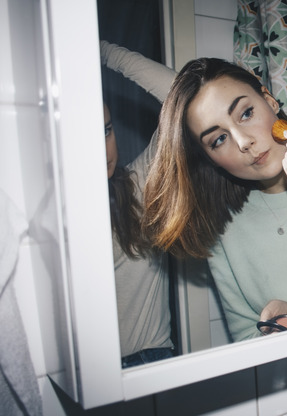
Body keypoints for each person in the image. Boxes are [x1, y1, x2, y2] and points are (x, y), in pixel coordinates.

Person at [141, 57, 287, 342]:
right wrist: (275, 330)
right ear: (210, 159)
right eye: (218, 140)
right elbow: (246, 344)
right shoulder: (224, 229)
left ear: (270, 101)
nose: (243, 141)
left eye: (246, 113)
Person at [101, 41, 178, 368]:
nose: (103, 151)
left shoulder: (136, 185)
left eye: (105, 131)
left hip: (154, 358)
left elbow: (181, 95)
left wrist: (101, 51)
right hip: (92, 375)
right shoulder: (50, 219)